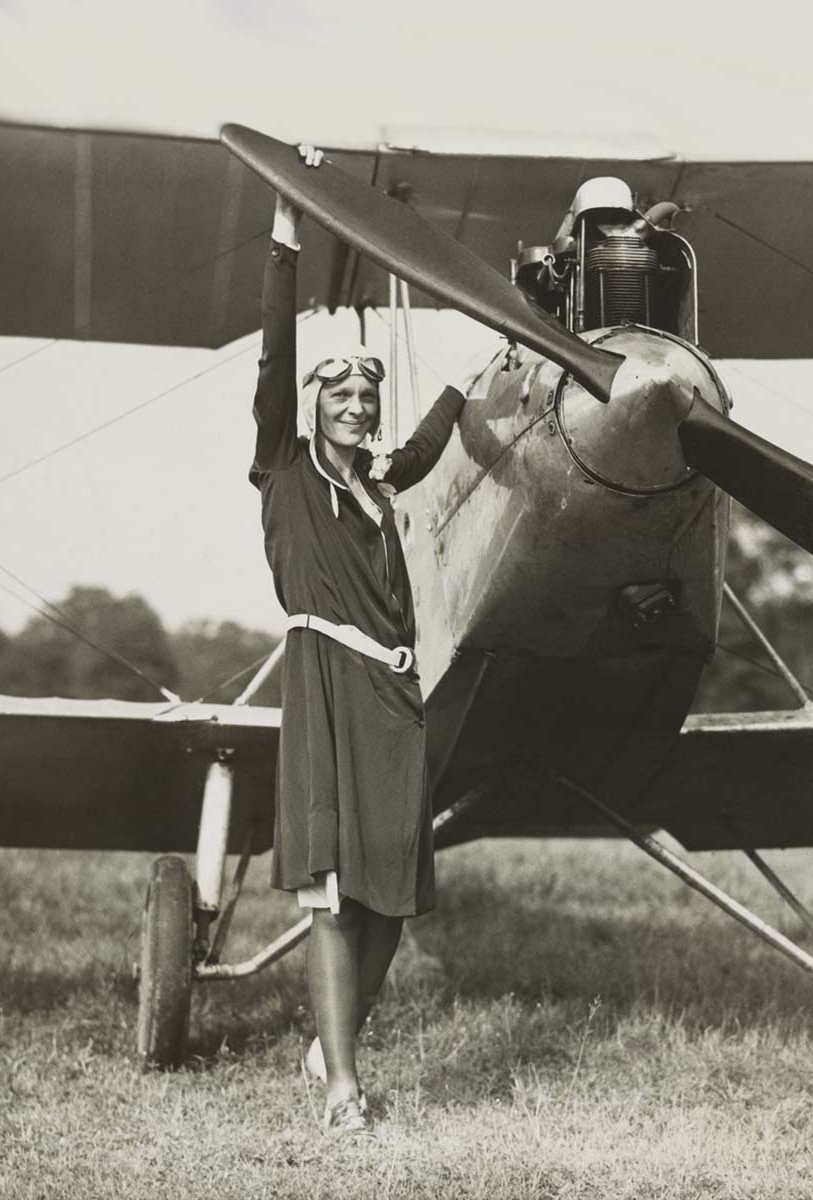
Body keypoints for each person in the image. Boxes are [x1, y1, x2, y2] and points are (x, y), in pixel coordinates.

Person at [250, 144, 474, 1133]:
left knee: (393, 898)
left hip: (396, 696)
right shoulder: (286, 474)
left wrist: (478, 378)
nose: (353, 403)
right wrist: (287, 240)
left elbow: (425, 447)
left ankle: (332, 1039)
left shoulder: (381, 489)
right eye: (338, 393)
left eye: (364, 396)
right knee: (337, 896)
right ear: (314, 406)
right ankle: (343, 1086)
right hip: (326, 680)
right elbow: (274, 366)